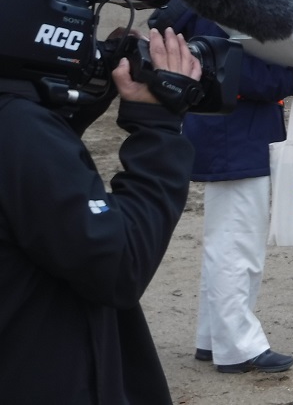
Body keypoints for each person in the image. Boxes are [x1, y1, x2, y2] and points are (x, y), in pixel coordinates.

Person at [151, 0, 293, 373]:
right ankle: (238, 346)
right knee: (238, 243)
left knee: (227, 238)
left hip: (224, 129)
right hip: (234, 129)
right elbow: (224, 69)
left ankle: (214, 336)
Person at [0, 27, 202, 404]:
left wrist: (80, 100)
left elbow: (32, 190)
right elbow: (118, 264)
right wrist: (157, 125)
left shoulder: (21, 128)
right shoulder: (16, 128)